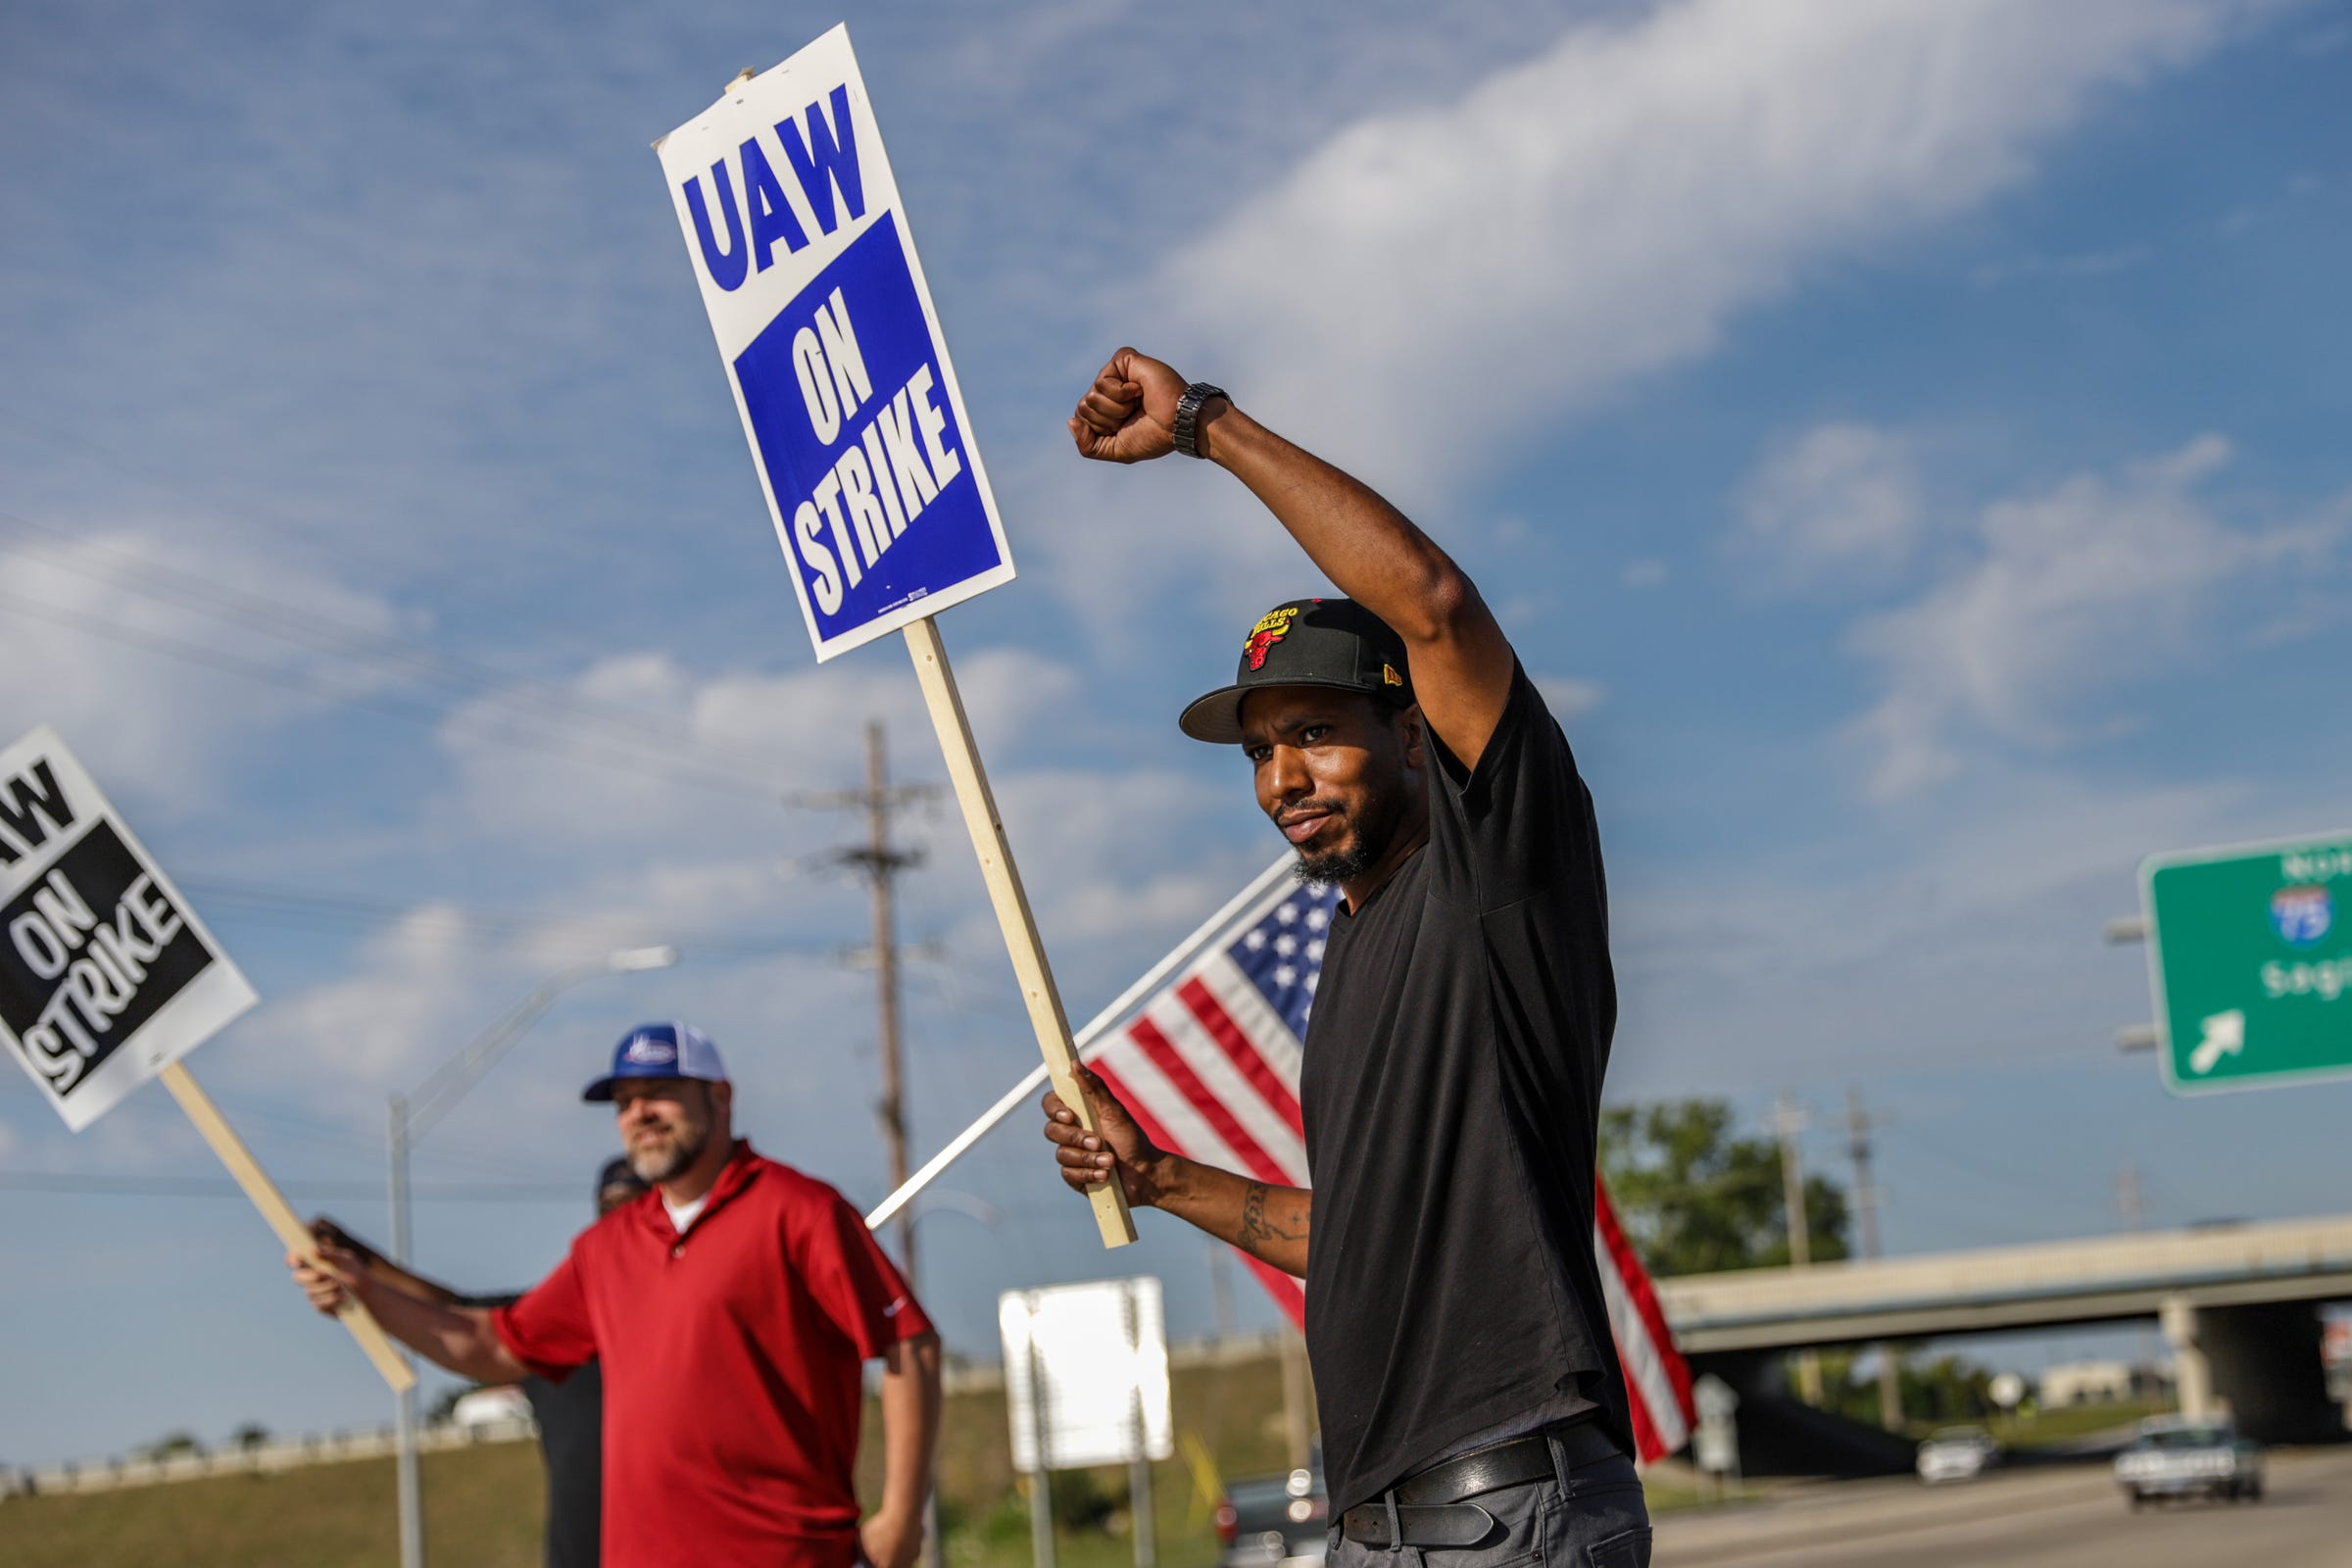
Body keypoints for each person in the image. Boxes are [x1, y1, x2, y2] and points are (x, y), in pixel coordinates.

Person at [1044, 353, 1649, 1566]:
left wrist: (1208, 428)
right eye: (1262, 751)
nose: (1281, 778)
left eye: (1318, 734)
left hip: (1506, 1514)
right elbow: (1356, 1243)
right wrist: (1158, 1177)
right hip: (1381, 1527)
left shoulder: (1498, 877)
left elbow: (1429, 600)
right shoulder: (1357, 945)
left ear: (1417, 735)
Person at [293, 1022, 943, 1568]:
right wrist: (366, 1294)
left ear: (721, 1095)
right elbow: (488, 1344)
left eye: (659, 1092)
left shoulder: (800, 1210)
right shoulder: (605, 1249)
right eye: (624, 1101)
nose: (639, 1114)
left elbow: (910, 1346)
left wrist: (900, 1521)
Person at [308, 1156, 651, 1568]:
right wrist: (362, 1267)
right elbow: (461, 1319)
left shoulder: (697, 1319)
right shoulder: (554, 1321)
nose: (622, 1223)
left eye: (637, 1206)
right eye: (609, 1210)